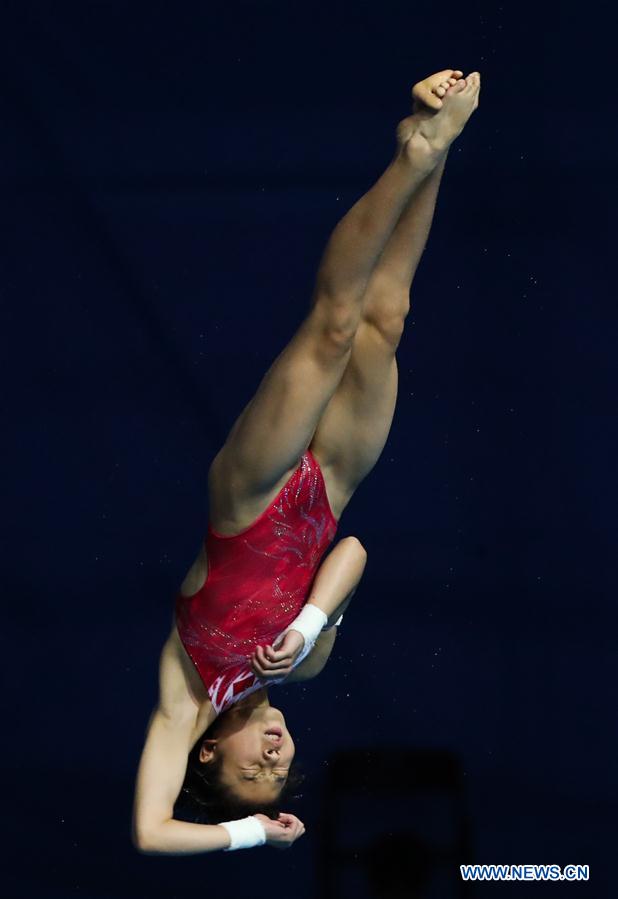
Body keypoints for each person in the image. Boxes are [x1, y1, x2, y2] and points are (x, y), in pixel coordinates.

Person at [131, 68, 481, 856]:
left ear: (209, 754)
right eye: (279, 773)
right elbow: (352, 552)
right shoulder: (302, 667)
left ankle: (411, 156)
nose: (276, 759)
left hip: (248, 500)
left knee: (333, 327)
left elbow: (150, 833)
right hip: (328, 494)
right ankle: (440, 143)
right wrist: (309, 621)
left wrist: (252, 830)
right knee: (387, 320)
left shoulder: (185, 699)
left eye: (255, 774)